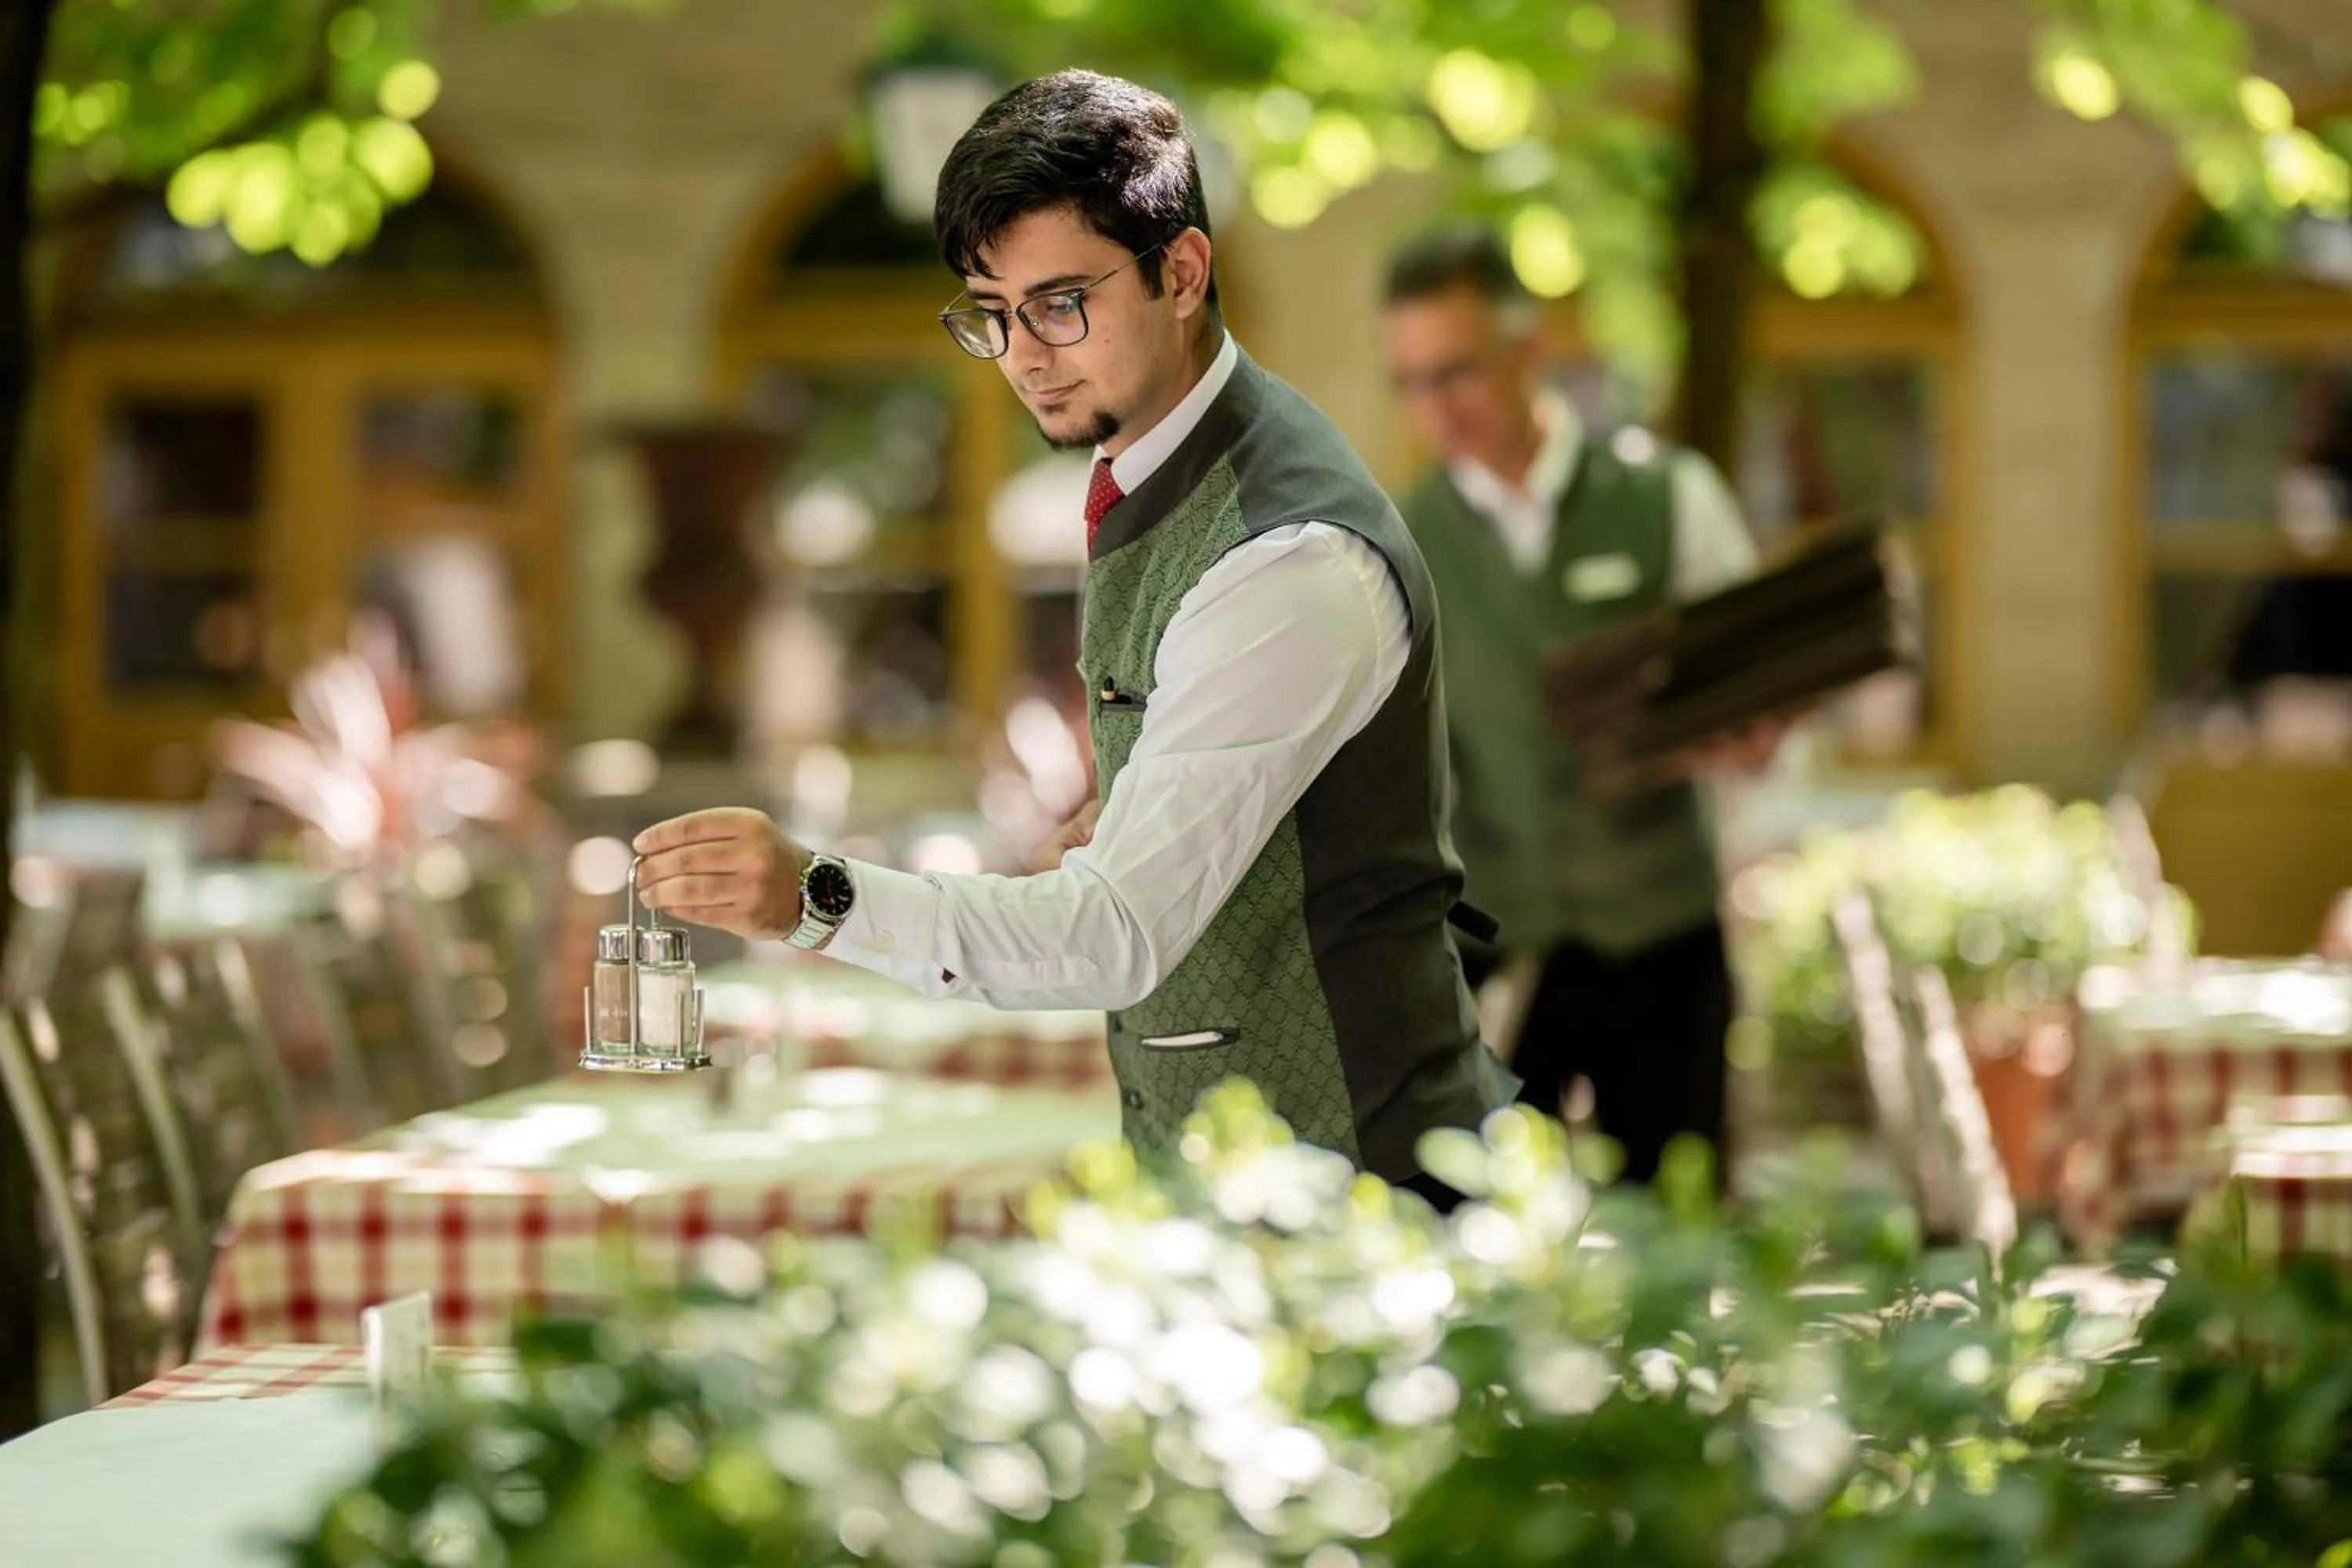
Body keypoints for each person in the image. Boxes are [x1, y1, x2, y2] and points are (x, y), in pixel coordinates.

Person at [634, 71, 1515, 1206]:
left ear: (1183, 271)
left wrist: (811, 896)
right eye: (991, 313)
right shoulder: (1154, 464)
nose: (1023, 355)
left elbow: (1114, 937)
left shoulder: (1287, 557)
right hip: (1243, 1180)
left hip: (1364, 1193)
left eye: (1060, 303)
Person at [1381, 223, 1782, 1184]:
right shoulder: (1398, 540)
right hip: (1496, 955)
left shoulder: (1668, 497)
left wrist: (1747, 740)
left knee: (1677, 1245)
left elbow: (1762, 709)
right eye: (1411, 381)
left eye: (1457, 373)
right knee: (1480, 1244)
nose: (1435, 408)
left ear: (1530, 352)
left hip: (1664, 937)